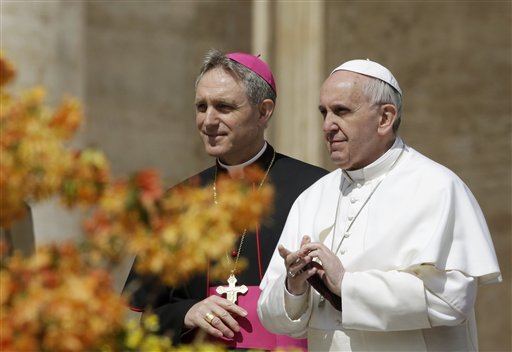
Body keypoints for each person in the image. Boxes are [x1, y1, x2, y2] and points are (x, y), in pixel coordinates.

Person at [257, 59, 502, 351]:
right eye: (324, 112)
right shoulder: (312, 197)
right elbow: (272, 317)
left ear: (385, 118)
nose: (327, 126)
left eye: (342, 111)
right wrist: (293, 288)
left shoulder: (438, 187)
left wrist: (347, 285)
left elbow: (451, 300)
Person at [123, 49, 328, 349]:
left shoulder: (315, 187)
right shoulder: (177, 202)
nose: (208, 120)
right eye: (201, 107)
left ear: (263, 111)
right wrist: (187, 312)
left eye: (223, 107)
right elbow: (148, 314)